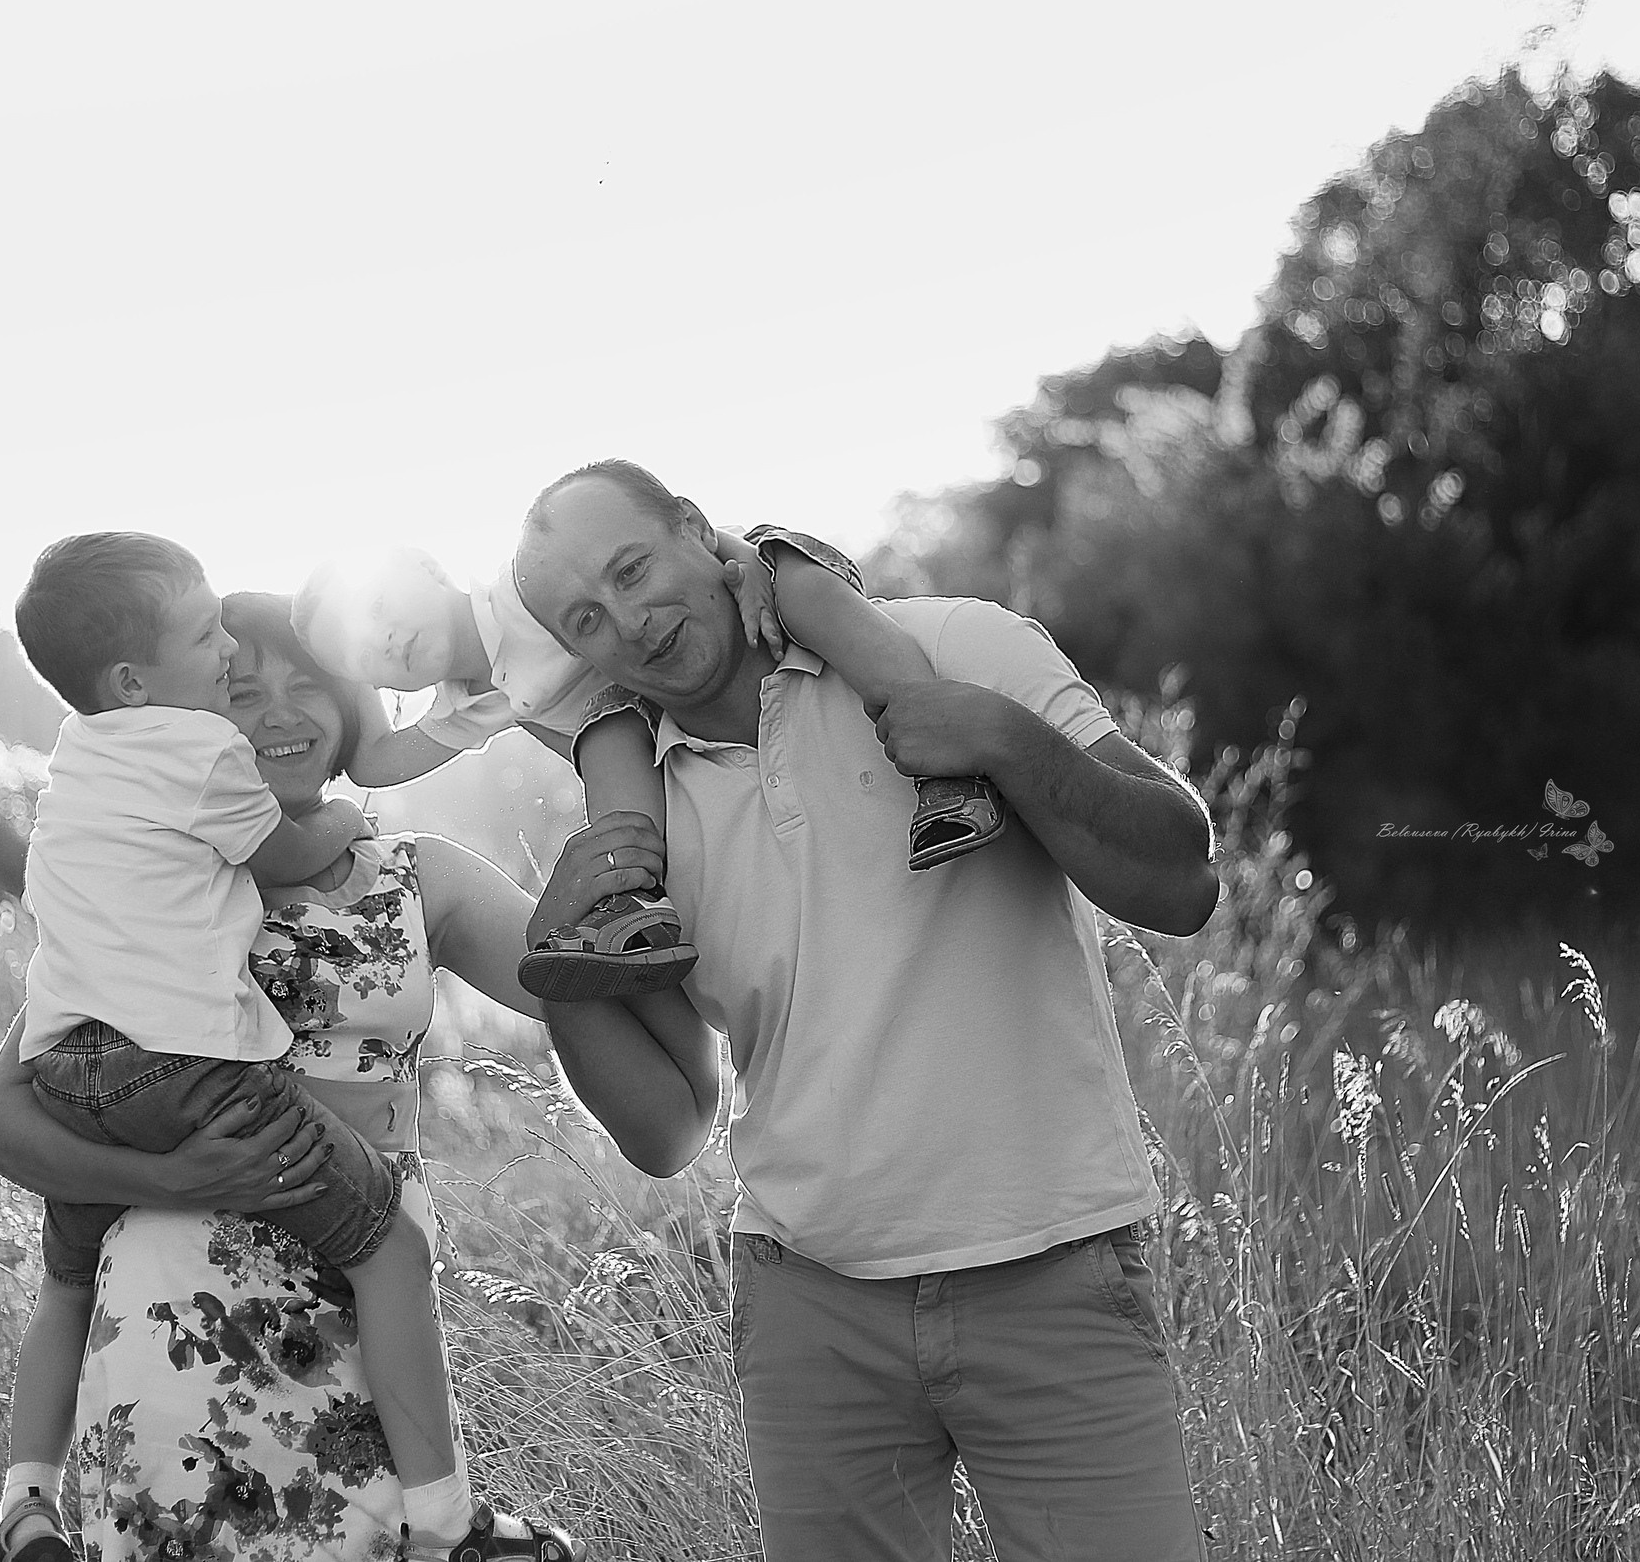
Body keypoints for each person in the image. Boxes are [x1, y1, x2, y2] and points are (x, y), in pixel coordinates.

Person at [509, 460, 1223, 1561]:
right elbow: (667, 1128)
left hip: (1052, 1270)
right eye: (585, 618)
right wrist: (554, 956)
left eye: (635, 567)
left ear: (702, 533)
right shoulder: (634, 824)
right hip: (810, 1309)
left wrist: (1000, 741)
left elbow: (1180, 880)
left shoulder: (952, 644)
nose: (632, 621)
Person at [0, 542, 580, 1562]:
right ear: (185, 710)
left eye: (307, 686)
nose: (277, 713)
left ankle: (25, 1505)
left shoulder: (412, 875)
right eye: (239, 684)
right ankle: (449, 1530)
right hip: (181, 1330)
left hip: (362, 1334)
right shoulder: (162, 889)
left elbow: (579, 992)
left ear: (356, 703)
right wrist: (168, 1174)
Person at [293, 537, 1008, 1001]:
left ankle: (945, 760)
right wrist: (308, 672)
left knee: (798, 583)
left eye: (381, 607)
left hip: (717, 628)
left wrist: (746, 555)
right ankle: (633, 905)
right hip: (649, 721)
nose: (384, 636)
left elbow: (663, 537)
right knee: (604, 736)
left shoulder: (525, 583)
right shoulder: (465, 707)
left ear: (428, 564)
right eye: (364, 653)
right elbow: (378, 761)